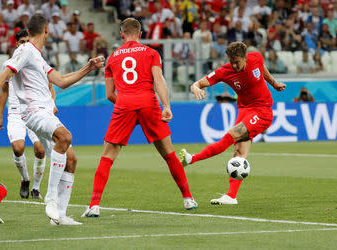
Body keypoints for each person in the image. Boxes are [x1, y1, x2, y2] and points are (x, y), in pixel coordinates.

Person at [0, 14, 105, 225]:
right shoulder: (24, 51)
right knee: (65, 136)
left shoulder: (37, 56)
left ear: (29, 32)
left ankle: (59, 216)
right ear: (47, 30)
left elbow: (61, 81)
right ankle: (49, 197)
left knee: (71, 159)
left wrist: (88, 68)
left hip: (45, 112)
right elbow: (3, 76)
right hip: (34, 111)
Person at [82, 18, 197, 218]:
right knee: (168, 153)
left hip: (124, 104)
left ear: (121, 34)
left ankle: (94, 205)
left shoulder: (113, 57)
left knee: (107, 155)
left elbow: (109, 94)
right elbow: (158, 79)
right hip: (148, 103)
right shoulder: (151, 53)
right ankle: (188, 198)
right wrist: (166, 106)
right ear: (141, 34)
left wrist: (126, 102)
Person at [179, 42, 286, 205]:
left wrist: (274, 83)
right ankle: (231, 196)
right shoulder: (225, 71)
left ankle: (192, 159)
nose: (234, 65)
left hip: (262, 111)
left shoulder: (255, 57)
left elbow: (262, 68)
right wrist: (195, 88)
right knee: (239, 153)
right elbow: (198, 83)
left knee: (232, 135)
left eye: (237, 61)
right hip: (244, 110)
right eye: (231, 61)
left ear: (245, 57)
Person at [0, 29, 48, 200]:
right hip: (16, 112)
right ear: (17, 44)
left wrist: (51, 105)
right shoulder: (8, 65)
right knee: (18, 148)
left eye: (28, 41)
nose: (25, 45)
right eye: (22, 42)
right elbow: (4, 91)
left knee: (40, 150)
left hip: (34, 110)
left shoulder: (37, 61)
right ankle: (25, 179)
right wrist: (0, 116)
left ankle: (36, 189)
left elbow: (49, 86)